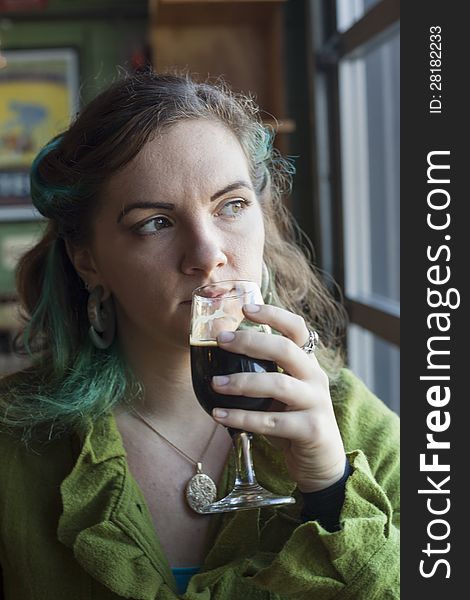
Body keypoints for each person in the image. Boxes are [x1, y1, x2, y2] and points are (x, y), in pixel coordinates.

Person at [0, 70, 399, 599]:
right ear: (87, 259)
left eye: (231, 206)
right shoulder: (15, 446)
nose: (209, 253)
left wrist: (328, 487)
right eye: (155, 223)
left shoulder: (354, 424)